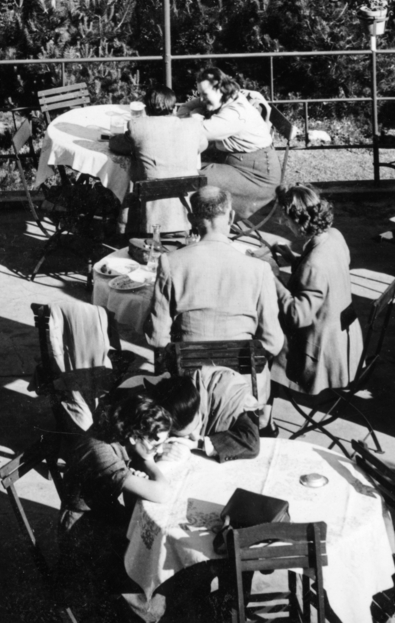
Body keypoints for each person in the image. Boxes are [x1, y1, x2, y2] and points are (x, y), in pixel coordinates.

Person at [60, 392, 188, 613]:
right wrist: (149, 461)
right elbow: (163, 493)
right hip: (84, 531)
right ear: (132, 437)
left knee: (153, 546)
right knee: (153, 562)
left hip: (102, 514)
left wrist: (147, 455)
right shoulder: (101, 451)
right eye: (155, 442)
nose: (159, 449)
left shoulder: (117, 436)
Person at [146, 187, 285, 368]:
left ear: (191, 219)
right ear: (231, 217)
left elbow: (157, 337)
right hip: (245, 384)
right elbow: (272, 342)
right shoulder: (260, 269)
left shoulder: (170, 263)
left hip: (190, 382)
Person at [271, 185, 361, 396]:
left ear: (298, 220)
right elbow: (323, 280)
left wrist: (272, 277)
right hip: (345, 342)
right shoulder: (334, 236)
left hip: (320, 356)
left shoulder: (314, 264)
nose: (284, 223)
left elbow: (297, 316)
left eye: (286, 219)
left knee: (264, 335)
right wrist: (294, 259)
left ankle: (266, 419)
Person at [108, 87, 210, 237]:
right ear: (174, 107)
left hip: (150, 203)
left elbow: (117, 145)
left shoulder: (138, 125)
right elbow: (202, 146)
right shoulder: (193, 125)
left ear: (146, 109)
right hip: (186, 199)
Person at [182, 67, 278, 221]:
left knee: (189, 178)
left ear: (221, 89)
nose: (201, 99)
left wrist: (192, 117)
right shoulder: (230, 95)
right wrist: (191, 113)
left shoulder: (234, 114)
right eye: (199, 93)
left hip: (257, 178)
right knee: (188, 170)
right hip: (238, 165)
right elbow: (187, 107)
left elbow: (191, 131)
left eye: (205, 94)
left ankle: (194, 226)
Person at [144, 371, 263, 462]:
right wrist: (160, 447)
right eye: (186, 435)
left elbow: (252, 443)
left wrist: (198, 444)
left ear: (199, 408)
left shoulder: (229, 400)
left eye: (196, 427)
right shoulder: (162, 410)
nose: (195, 436)